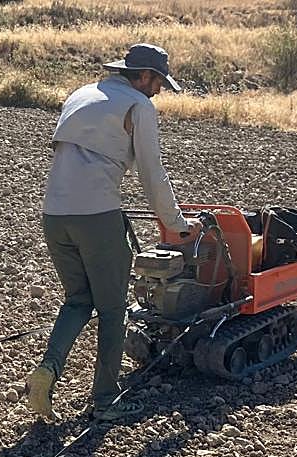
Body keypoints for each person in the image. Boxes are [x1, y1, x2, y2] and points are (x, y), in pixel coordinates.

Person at [27, 43, 201, 422]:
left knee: (77, 300)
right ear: (143, 76)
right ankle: (105, 401)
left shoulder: (81, 95)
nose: (158, 90)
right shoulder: (138, 106)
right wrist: (178, 225)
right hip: (97, 217)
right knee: (112, 308)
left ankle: (47, 371)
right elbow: (152, 175)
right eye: (157, 82)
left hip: (54, 215)